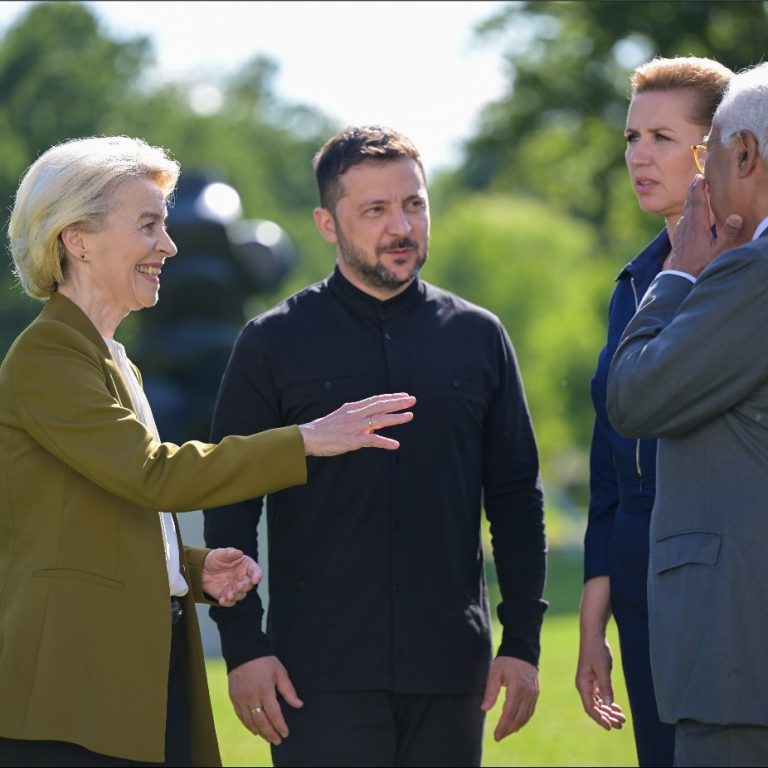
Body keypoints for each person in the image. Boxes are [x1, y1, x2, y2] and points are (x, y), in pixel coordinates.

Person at [0, 135, 416, 767]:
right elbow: (153, 475)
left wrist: (191, 571)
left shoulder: (109, 359)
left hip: (118, 676)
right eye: (148, 226)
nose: (169, 246)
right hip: (71, 692)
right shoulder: (49, 356)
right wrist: (306, 438)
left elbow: (100, 515)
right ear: (76, 240)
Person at [204, 125, 547, 767]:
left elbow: (516, 500)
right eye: (375, 210)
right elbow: (230, 503)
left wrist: (522, 643)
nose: (402, 226)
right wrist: (245, 648)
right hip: (315, 676)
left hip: (451, 672)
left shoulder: (480, 337)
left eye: (414, 204)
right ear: (327, 224)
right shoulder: (271, 343)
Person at [606, 61, 768, 766]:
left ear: (744, 154)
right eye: (631, 137)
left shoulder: (749, 271)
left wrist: (678, 272)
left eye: (707, 156)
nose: (703, 182)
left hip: (738, 656)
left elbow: (635, 397)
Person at [575, 56, 733, 767]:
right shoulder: (634, 282)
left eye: (662, 138)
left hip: (722, 583)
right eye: (632, 138)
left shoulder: (744, 275)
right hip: (640, 580)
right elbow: (611, 461)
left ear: (718, 150)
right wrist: (594, 614)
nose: (639, 156)